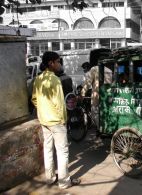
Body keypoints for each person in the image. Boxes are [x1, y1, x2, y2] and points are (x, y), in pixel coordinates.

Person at [31, 51, 81, 189]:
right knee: (62, 151)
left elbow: (34, 99)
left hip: (44, 120)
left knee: (48, 149)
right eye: (58, 61)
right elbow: (59, 104)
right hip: (56, 121)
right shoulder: (55, 80)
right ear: (51, 63)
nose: (60, 64)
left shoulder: (38, 79)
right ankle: (64, 182)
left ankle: (50, 178)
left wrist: (43, 110)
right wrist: (63, 120)